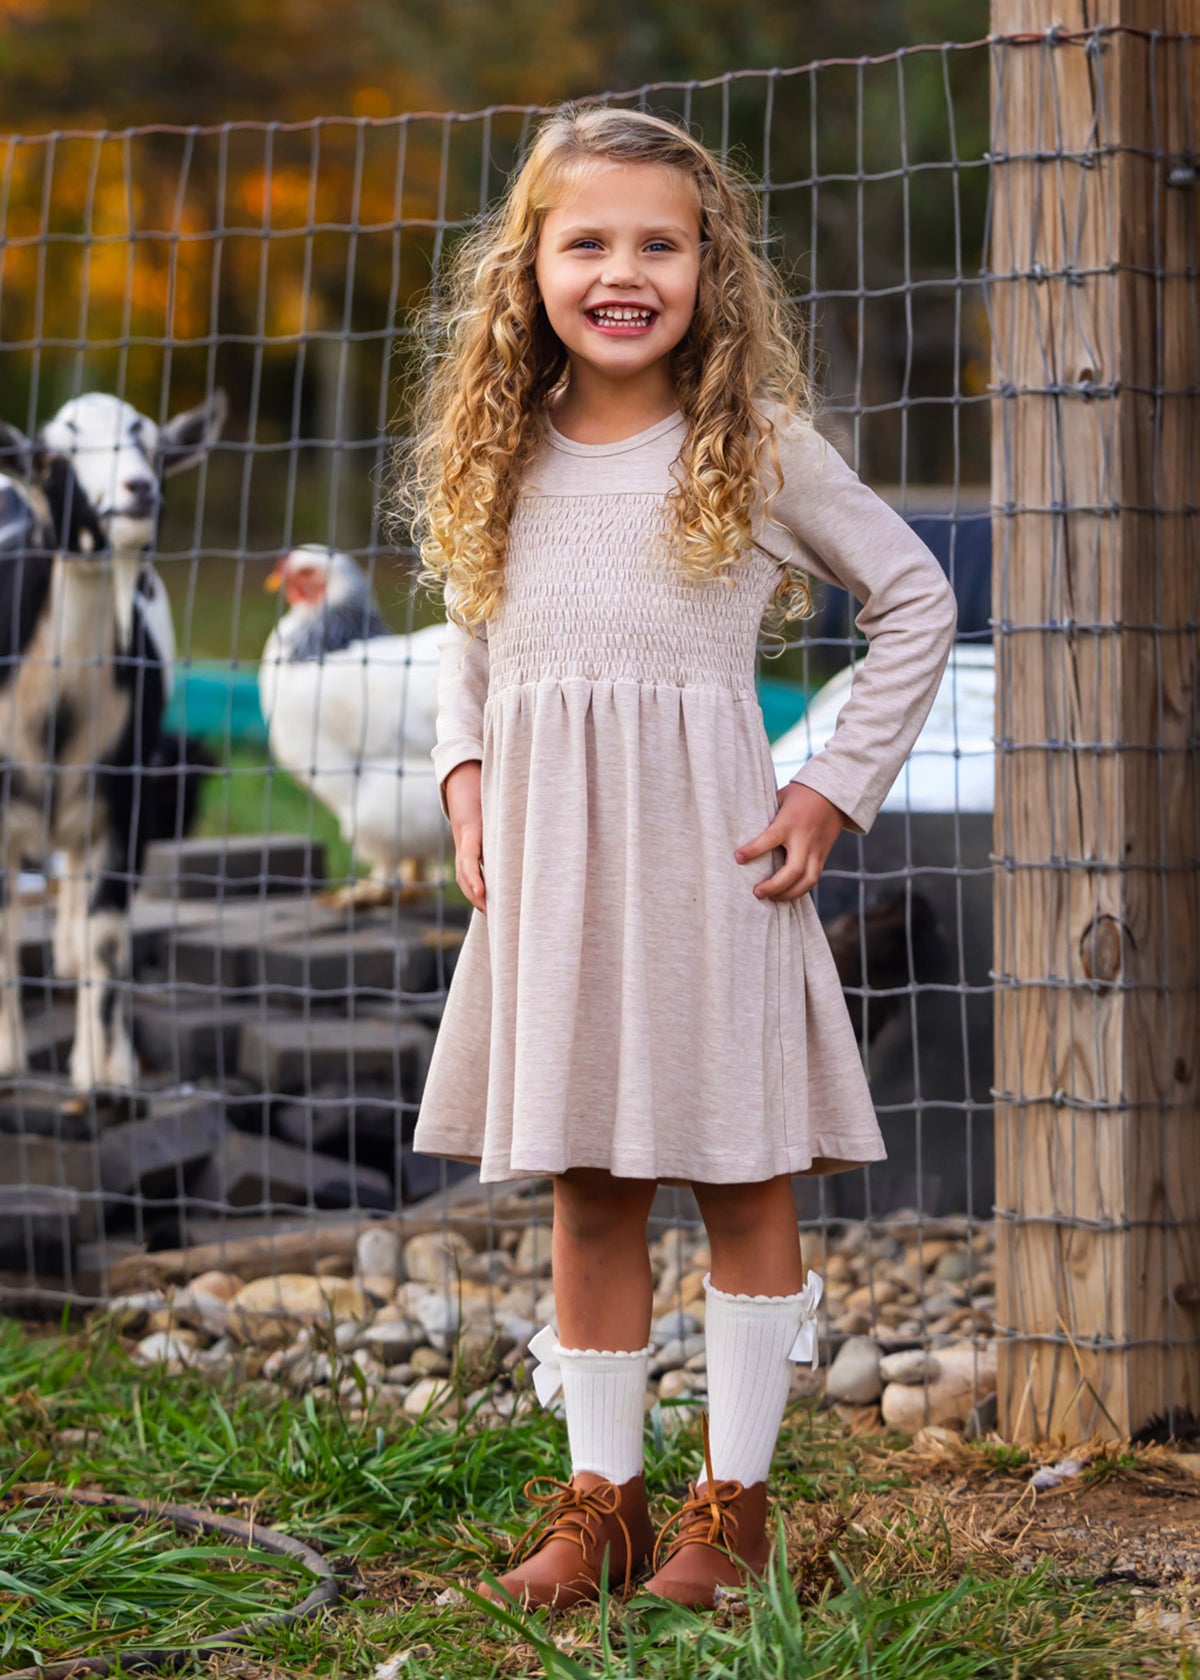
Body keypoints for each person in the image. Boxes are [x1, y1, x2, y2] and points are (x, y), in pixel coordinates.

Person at [399, 104, 957, 1612]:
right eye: (588, 242)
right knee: (589, 1188)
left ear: (713, 268)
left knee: (741, 1179)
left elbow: (916, 601)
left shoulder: (757, 448)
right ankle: (609, 1506)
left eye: (661, 242)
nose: (623, 271)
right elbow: (471, 628)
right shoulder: (499, 448)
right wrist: (464, 781)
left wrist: (831, 792)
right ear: (530, 267)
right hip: (554, 877)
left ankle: (740, 1509)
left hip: (714, 872)